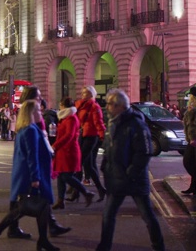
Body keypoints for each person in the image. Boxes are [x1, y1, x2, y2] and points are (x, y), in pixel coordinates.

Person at [0, 100, 59, 251]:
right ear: (31, 113)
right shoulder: (30, 130)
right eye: (38, 110)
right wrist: (35, 178)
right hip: (32, 175)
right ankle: (40, 240)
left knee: (30, 208)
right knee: (30, 207)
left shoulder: (25, 129)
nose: (41, 113)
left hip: (27, 174)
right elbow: (32, 156)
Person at [97, 89, 164, 251]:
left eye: (109, 104)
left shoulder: (136, 124)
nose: (107, 107)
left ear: (119, 106)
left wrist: (131, 173)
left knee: (147, 215)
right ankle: (104, 247)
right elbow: (109, 147)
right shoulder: (113, 122)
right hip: (116, 178)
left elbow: (144, 152)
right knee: (108, 215)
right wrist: (105, 165)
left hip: (134, 179)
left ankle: (158, 246)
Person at [51, 97, 94, 209]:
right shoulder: (65, 118)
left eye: (60, 105)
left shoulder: (71, 119)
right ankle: (60, 200)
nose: (59, 107)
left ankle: (86, 192)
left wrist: (55, 145)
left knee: (66, 176)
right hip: (63, 151)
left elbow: (69, 136)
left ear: (64, 106)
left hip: (69, 151)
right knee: (61, 176)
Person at [75, 86, 107, 202]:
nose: (83, 95)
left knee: (79, 163)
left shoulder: (94, 106)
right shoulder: (80, 106)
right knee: (88, 165)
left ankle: (77, 191)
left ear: (91, 94)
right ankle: (101, 189)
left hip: (91, 136)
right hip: (82, 136)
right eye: (83, 92)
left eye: (86, 93)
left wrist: (102, 136)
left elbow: (98, 122)